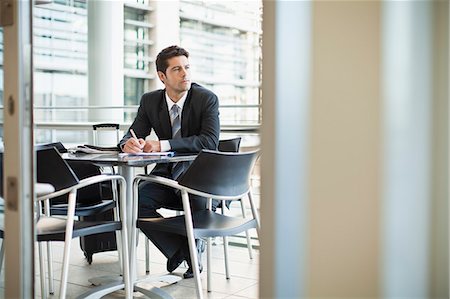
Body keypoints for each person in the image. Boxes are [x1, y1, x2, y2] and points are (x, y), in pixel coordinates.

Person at [119, 45, 220, 278]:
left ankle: (193, 254)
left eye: (187, 67)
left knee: (196, 200)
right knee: (134, 200)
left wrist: (163, 144)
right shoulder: (150, 101)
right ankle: (181, 250)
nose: (185, 74)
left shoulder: (206, 99)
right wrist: (128, 144)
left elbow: (209, 141)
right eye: (177, 69)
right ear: (162, 76)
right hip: (167, 175)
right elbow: (132, 133)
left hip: (200, 177)